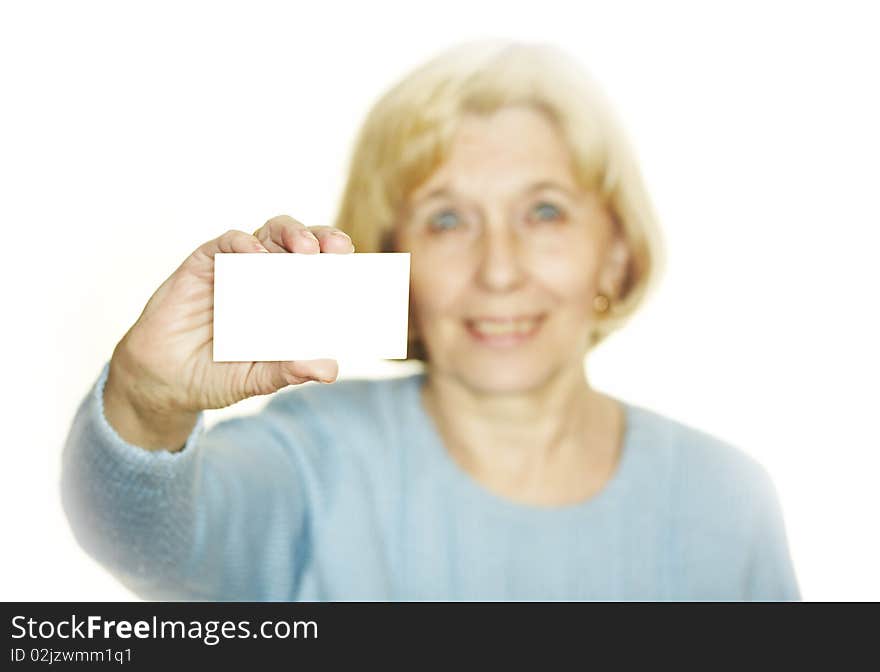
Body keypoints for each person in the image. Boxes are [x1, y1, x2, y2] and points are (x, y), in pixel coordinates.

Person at [60, 40, 800, 600]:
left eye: (544, 211)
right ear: (390, 258)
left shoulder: (727, 503)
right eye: (448, 220)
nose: (500, 270)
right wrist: (145, 395)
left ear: (613, 252)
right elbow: (134, 537)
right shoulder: (312, 457)